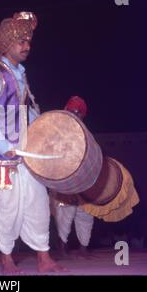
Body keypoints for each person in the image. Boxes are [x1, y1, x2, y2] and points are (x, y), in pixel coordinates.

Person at [0, 12, 66, 274]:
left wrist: (48, 125)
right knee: (8, 207)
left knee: (38, 201)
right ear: (6, 44)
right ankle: (6, 258)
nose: (27, 46)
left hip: (27, 151)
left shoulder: (20, 74)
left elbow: (25, 110)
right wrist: (4, 144)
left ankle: (43, 257)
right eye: (21, 41)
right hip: (3, 155)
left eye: (29, 41)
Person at [51, 96, 96, 260]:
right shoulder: (58, 131)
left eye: (78, 112)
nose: (75, 115)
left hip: (83, 181)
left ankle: (83, 248)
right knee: (65, 213)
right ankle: (62, 248)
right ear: (66, 111)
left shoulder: (87, 134)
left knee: (86, 213)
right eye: (72, 111)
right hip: (64, 180)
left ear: (83, 115)